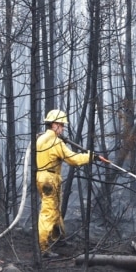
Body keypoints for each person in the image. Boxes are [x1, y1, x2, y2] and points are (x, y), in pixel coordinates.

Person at [35, 109, 95, 255]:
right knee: (48, 212)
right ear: (54, 124)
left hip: (41, 177)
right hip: (50, 179)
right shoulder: (55, 142)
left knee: (54, 209)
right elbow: (73, 159)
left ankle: (58, 238)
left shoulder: (41, 139)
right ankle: (43, 247)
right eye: (61, 125)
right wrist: (90, 157)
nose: (62, 128)